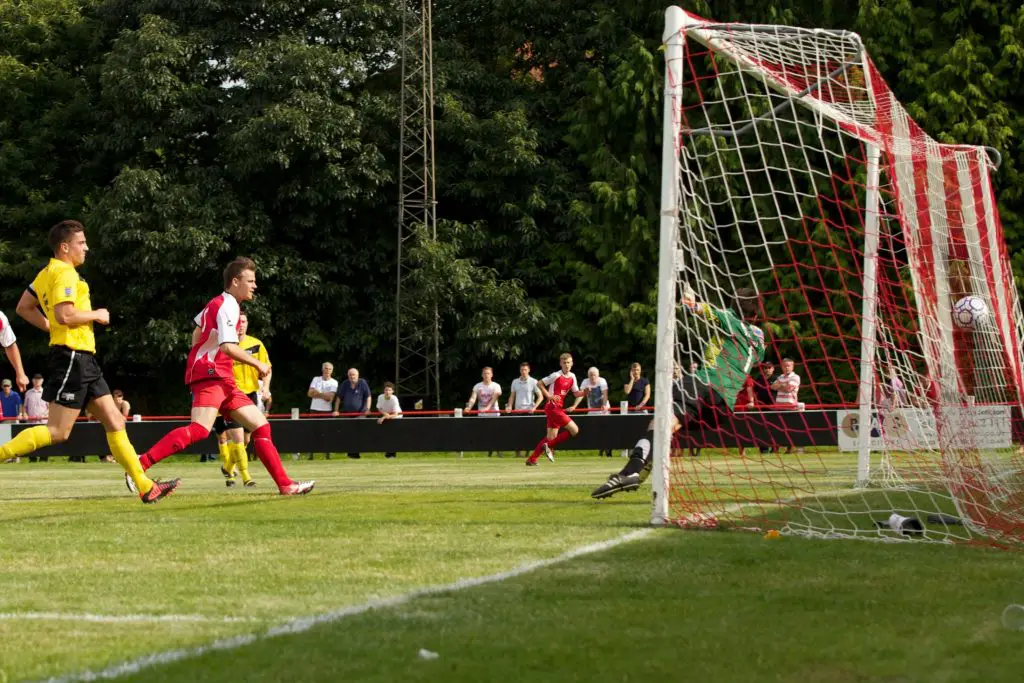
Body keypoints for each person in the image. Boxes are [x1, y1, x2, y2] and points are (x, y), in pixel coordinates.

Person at [1, 221, 177, 502]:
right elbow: (66, 316)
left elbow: (24, 307)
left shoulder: (46, 272)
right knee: (58, 432)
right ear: (64, 247)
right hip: (72, 357)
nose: (86, 248)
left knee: (116, 420)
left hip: (84, 359)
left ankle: (146, 487)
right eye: (81, 243)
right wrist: (97, 315)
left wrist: (49, 327)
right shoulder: (65, 273)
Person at [131, 256, 313, 496]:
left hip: (221, 376)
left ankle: (285, 485)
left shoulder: (217, 303)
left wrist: (200, 356)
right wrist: (256, 363)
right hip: (212, 375)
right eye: (250, 280)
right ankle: (138, 466)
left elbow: (197, 333)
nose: (254, 285)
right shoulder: (227, 305)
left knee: (261, 426)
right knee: (199, 429)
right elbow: (228, 346)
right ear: (235, 281)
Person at [591, 286, 765, 497]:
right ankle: (637, 473)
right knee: (668, 429)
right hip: (723, 408)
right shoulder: (758, 339)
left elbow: (704, 310)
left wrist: (690, 301)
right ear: (755, 315)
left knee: (660, 422)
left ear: (734, 306)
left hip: (703, 386)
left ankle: (631, 471)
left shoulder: (731, 320)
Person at [216, 312, 270, 487]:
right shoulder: (224, 346)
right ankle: (247, 477)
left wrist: (266, 388)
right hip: (231, 395)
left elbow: (267, 368)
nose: (241, 324)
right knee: (237, 438)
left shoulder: (256, 344)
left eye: (244, 321)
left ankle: (227, 466)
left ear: (247, 324)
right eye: (238, 321)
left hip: (251, 395)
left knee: (246, 440)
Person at [525, 353, 585, 466]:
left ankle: (532, 460)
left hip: (557, 408)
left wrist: (585, 392)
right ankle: (548, 446)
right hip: (553, 407)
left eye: (568, 362)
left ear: (572, 363)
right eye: (564, 363)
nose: (566, 365)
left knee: (550, 437)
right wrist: (549, 396)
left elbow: (577, 393)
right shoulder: (556, 375)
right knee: (575, 430)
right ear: (560, 363)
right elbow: (539, 383)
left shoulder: (572, 377)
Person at [506, 362, 542, 457]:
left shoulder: (534, 381)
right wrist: (509, 406)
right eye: (522, 370)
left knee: (529, 433)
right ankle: (517, 454)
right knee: (516, 433)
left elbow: (541, 397)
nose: (523, 371)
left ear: (529, 370)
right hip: (517, 411)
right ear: (520, 370)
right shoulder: (515, 381)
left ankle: (528, 453)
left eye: (525, 369)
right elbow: (512, 396)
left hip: (529, 412)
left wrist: (534, 408)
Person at [335, 367, 371, 459]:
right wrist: (336, 410)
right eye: (350, 375)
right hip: (347, 414)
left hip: (360, 413)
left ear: (357, 375)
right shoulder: (345, 383)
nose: (352, 376)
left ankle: (356, 453)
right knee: (348, 433)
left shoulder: (362, 383)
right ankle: (350, 453)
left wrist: (367, 409)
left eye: (353, 375)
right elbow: (339, 397)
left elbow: (368, 396)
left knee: (358, 433)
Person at [466, 366, 502, 456]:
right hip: (482, 414)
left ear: (492, 375)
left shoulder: (496, 386)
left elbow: (495, 397)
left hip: (494, 413)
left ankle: (498, 451)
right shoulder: (477, 386)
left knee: (496, 433)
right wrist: (469, 407)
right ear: (482, 375)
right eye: (485, 373)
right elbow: (473, 398)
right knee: (485, 434)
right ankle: (488, 451)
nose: (486, 375)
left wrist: (488, 408)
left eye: (488, 373)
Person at [580, 366, 612, 456]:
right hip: (592, 410)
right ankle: (601, 449)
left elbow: (605, 394)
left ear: (598, 375)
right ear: (588, 376)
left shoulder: (602, 381)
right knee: (593, 430)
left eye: (594, 375)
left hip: (603, 410)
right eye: (591, 375)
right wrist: (585, 390)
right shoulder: (585, 382)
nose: (592, 377)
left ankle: (607, 451)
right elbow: (580, 393)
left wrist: (605, 405)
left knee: (605, 431)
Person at [23, 374, 48, 462]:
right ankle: (32, 459)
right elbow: (25, 407)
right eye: (35, 379)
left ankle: (43, 459)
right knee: (31, 441)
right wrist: (25, 414)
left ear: (42, 381)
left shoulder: (46, 392)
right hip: (31, 422)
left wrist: (44, 415)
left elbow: (50, 408)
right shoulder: (28, 393)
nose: (37, 381)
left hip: (43, 422)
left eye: (39, 379)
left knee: (43, 441)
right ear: (32, 381)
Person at [376, 381, 402, 458]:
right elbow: (379, 408)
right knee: (385, 435)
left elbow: (395, 414)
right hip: (387, 417)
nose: (387, 392)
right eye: (386, 390)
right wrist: (384, 414)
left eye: (389, 390)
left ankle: (392, 454)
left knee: (393, 435)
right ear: (384, 390)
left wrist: (384, 417)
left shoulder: (394, 399)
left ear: (393, 391)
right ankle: (388, 453)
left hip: (396, 418)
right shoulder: (380, 397)